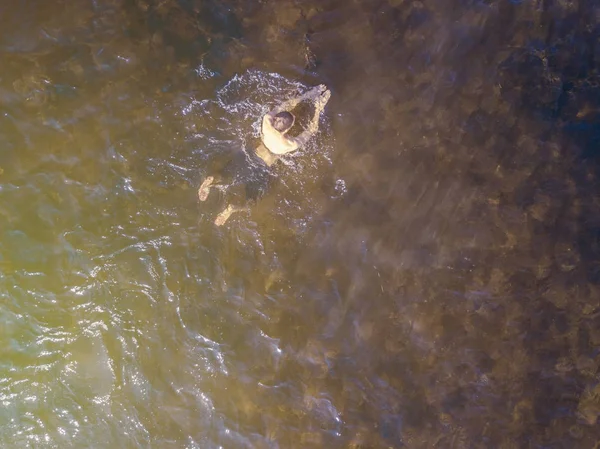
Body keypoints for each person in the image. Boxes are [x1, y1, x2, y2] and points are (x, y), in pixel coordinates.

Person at [198, 84, 331, 226]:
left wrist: (308, 93)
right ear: (287, 131)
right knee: (252, 202)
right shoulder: (288, 144)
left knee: (226, 174)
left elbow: (285, 105)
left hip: (249, 155)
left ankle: (211, 181)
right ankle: (232, 209)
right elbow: (312, 130)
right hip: (261, 169)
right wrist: (319, 107)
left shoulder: (267, 121)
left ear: (275, 120)